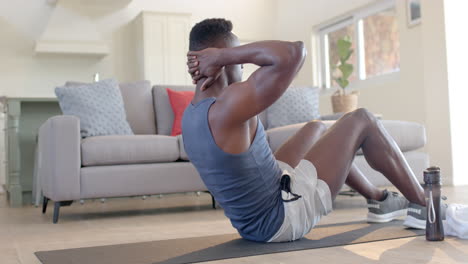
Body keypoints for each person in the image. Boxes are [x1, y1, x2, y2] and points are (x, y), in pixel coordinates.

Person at [181, 18, 428, 243]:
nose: (242, 67)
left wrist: (223, 56)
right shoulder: (227, 107)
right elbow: (293, 53)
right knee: (363, 119)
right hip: (281, 217)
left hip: (257, 216)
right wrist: (225, 56)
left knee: (317, 128)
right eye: (238, 61)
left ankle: (378, 200)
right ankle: (425, 206)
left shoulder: (192, 115)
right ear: (219, 61)